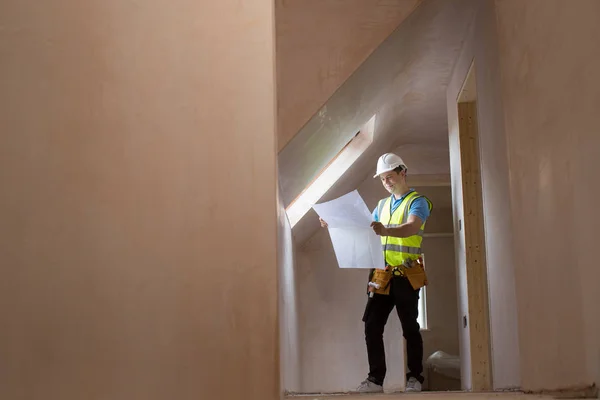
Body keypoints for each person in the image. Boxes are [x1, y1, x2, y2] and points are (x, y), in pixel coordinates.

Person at [319, 153, 432, 393]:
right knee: (372, 325)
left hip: (406, 273)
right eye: (383, 179)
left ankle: (415, 378)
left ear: (403, 172)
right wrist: (334, 222)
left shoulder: (418, 201)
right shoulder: (382, 205)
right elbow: (364, 229)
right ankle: (375, 380)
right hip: (382, 274)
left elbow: (411, 226)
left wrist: (385, 228)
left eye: (390, 176)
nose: (387, 182)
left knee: (409, 327)